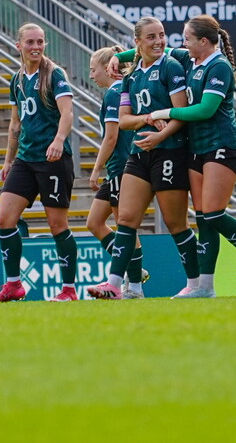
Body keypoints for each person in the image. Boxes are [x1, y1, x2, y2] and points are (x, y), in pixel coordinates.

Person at [143, 15, 236, 297]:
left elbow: (204, 110)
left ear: (203, 41)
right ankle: (206, 288)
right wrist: (120, 57)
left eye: (187, 39)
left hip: (223, 145)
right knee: (203, 218)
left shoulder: (219, 66)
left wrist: (162, 113)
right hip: (196, 147)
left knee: (213, 214)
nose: (182, 44)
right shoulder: (191, 59)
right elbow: (154, 50)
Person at [86, 17, 199, 300]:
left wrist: (159, 135)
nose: (159, 41)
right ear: (137, 42)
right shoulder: (131, 76)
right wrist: (149, 119)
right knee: (126, 218)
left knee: (176, 223)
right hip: (139, 153)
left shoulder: (172, 67)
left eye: (161, 35)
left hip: (169, 151)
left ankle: (198, 284)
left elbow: (181, 113)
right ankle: (115, 285)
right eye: (151, 37)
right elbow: (123, 122)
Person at [0, 23, 80, 303]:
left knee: (56, 224)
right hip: (25, 160)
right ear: (19, 46)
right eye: (30, 42)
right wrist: (8, 160)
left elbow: (68, 113)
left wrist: (59, 140)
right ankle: (14, 285)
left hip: (52, 159)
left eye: (40, 42)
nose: (36, 47)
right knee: (4, 218)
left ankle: (68, 290)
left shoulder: (54, 74)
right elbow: (15, 124)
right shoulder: (16, 80)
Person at [86, 45, 147, 299]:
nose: (91, 75)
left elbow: (111, 138)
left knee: (125, 226)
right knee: (94, 223)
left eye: (93, 69)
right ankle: (135, 270)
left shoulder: (114, 93)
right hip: (117, 169)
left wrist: (96, 168)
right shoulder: (119, 91)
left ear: (107, 69)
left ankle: (134, 286)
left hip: (122, 167)